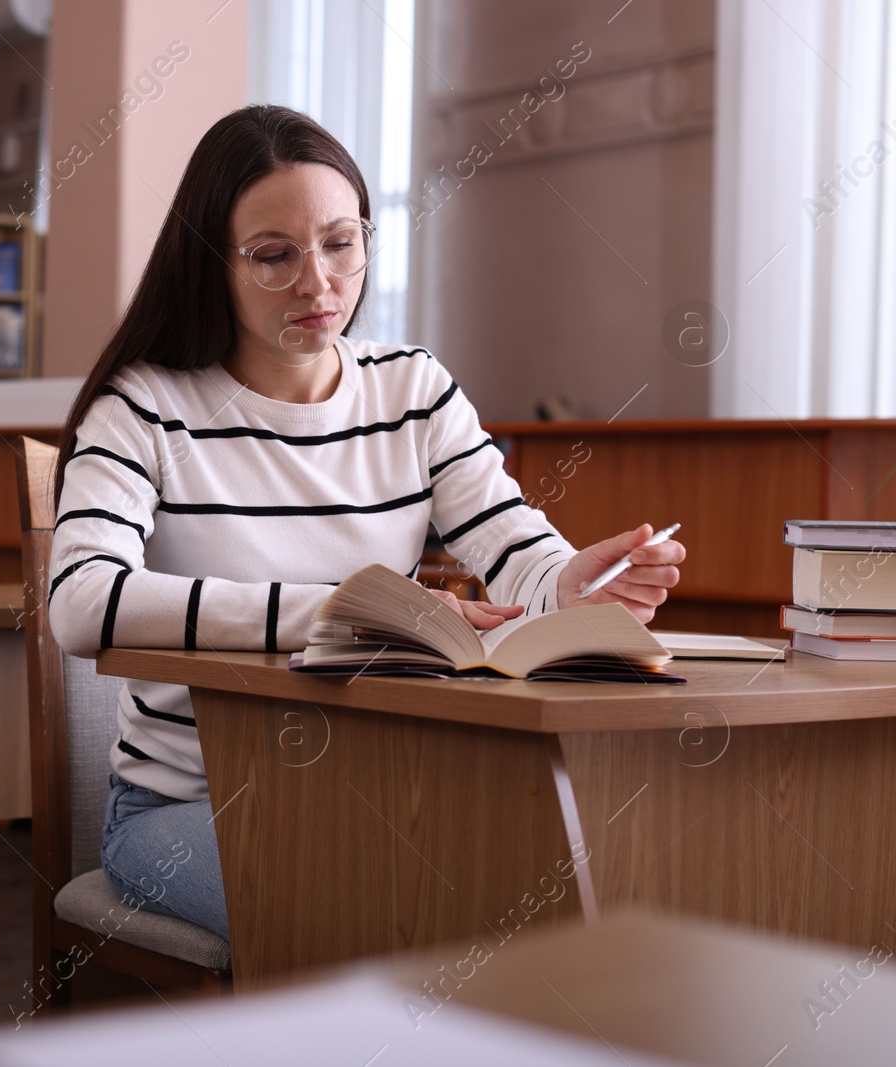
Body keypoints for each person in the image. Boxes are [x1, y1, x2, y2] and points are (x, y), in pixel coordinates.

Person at [46, 105, 686, 942]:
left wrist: (570, 582)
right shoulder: (143, 407)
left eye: (341, 243)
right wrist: (341, 610)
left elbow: (511, 542)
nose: (318, 283)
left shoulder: (413, 391)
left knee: (568, 889)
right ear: (211, 264)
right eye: (275, 256)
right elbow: (82, 602)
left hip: (389, 786)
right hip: (185, 809)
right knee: (386, 917)